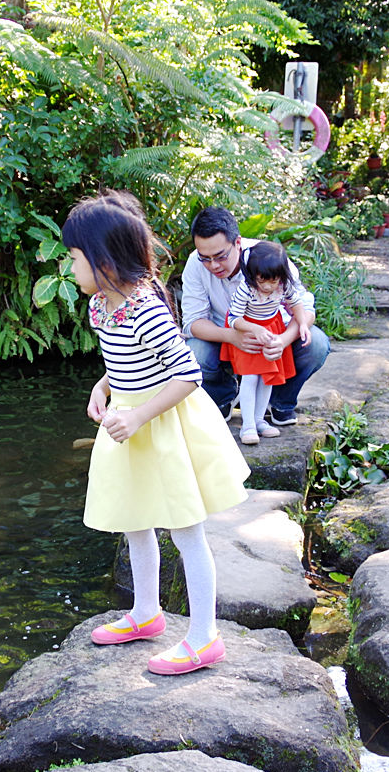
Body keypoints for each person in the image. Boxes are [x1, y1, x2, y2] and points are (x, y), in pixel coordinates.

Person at [61, 192, 249, 675]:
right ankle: (146, 613)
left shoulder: (145, 307)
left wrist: (141, 414)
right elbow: (121, 360)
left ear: (103, 261)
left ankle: (205, 636)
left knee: (186, 530)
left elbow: (187, 373)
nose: (71, 267)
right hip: (128, 423)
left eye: (75, 258)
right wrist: (103, 387)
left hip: (161, 427)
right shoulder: (101, 306)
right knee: (134, 520)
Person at [180, 206, 331, 425]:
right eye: (206, 258)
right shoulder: (195, 264)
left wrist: (283, 340)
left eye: (221, 256)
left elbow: (305, 308)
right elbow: (192, 322)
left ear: (237, 243)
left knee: (316, 344)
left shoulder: (268, 257)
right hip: (224, 340)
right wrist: (232, 336)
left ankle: (279, 402)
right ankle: (223, 397)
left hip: (273, 335)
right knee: (195, 352)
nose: (213, 265)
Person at [221, 240, 298, 445]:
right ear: (252, 275)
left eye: (273, 282)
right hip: (247, 329)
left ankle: (259, 420)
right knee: (250, 377)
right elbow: (233, 319)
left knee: (267, 376)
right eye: (261, 281)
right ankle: (247, 425)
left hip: (272, 329)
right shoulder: (247, 289)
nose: (267, 287)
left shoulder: (283, 285)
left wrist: (304, 325)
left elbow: (296, 302)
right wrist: (254, 329)